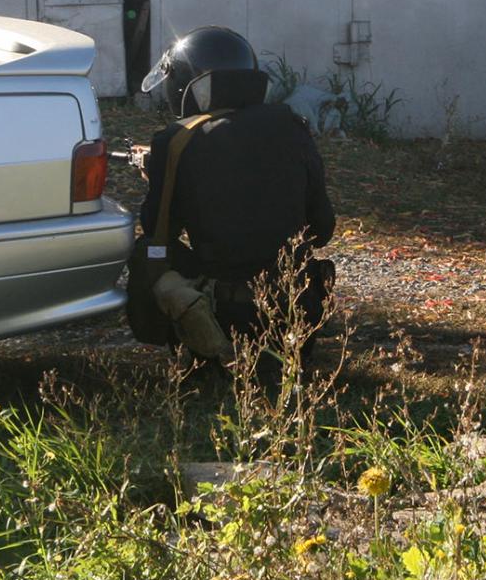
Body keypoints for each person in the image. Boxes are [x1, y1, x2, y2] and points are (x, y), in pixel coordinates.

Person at [127, 26, 336, 361]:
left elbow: (158, 233)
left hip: (224, 320)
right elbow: (322, 229)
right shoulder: (292, 127)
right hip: (296, 316)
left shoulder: (176, 140)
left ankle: (194, 349)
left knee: (145, 254)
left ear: (182, 84)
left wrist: (162, 175)